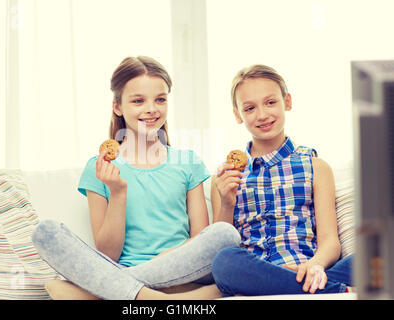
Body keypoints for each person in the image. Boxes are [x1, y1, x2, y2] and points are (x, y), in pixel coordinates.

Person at [31, 56, 241, 300]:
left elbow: (200, 241)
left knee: (225, 234)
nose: (151, 109)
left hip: (183, 269)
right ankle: (155, 297)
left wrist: (163, 261)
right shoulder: (100, 167)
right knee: (45, 232)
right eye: (138, 101)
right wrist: (118, 192)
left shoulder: (188, 162)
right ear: (117, 106)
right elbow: (107, 253)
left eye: (160, 99)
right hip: (126, 266)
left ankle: (106, 289)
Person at [210, 64, 354, 296]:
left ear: (287, 101)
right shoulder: (225, 176)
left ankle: (304, 285)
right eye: (249, 108)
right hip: (255, 270)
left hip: (309, 268)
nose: (263, 114)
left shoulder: (316, 166)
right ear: (238, 115)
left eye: (270, 102)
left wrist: (314, 265)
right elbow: (219, 246)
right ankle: (336, 291)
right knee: (224, 261)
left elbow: (330, 240)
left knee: (374, 254)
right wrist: (227, 203)